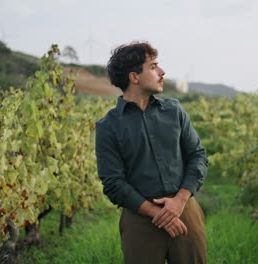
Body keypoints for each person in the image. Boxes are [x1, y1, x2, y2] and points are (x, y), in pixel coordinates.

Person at [95, 41, 208, 264]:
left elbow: (198, 156)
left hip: (186, 212)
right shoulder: (108, 126)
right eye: (154, 66)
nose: (162, 72)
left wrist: (179, 201)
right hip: (139, 222)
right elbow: (113, 183)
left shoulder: (174, 111)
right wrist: (157, 214)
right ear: (134, 77)